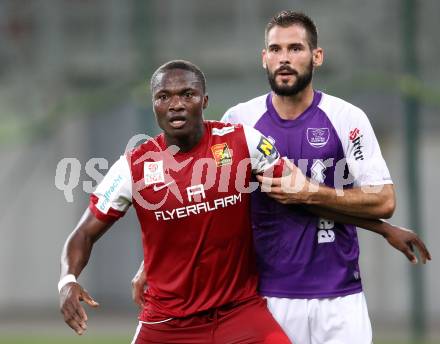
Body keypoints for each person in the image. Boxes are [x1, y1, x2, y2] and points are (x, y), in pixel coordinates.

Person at [130, 11, 432, 344]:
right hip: (266, 299)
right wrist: (153, 263)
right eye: (275, 49)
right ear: (264, 58)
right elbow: (206, 206)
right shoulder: (240, 121)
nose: (284, 58)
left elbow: (383, 199)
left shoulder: (347, 118)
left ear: (317, 56)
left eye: (295, 48)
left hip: (340, 297)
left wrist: (313, 193)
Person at [58, 60, 292, 343]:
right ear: (154, 105)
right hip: (168, 325)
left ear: (204, 100)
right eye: (163, 97)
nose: (176, 104)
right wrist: (67, 280)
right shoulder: (134, 167)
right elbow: (84, 233)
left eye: (187, 94)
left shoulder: (243, 142)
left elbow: (298, 194)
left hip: (238, 313)